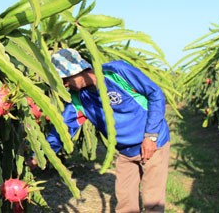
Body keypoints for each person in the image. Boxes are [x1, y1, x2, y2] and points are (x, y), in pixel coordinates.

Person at [41, 48, 171, 212]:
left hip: (152, 144)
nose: (64, 85)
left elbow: (155, 94)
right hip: (125, 151)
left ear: (76, 70)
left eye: (64, 79)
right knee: (125, 202)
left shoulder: (117, 72)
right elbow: (63, 130)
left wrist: (151, 137)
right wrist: (40, 156)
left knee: (153, 202)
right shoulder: (79, 99)